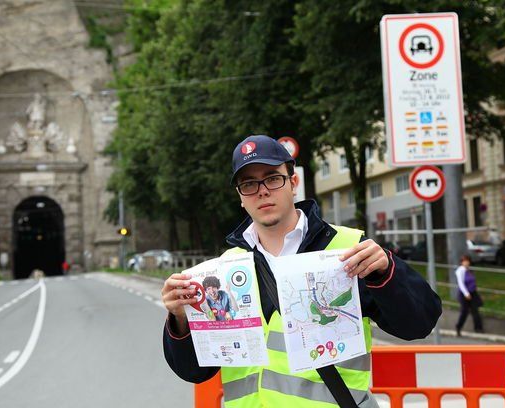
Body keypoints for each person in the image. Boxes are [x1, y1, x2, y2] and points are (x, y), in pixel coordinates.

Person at [161, 135, 442, 407]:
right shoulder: (226, 269)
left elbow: (418, 325)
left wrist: (387, 272)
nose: (262, 191)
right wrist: (180, 319)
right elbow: (194, 371)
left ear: (293, 183)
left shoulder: (346, 250)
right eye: (249, 184)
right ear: (240, 197)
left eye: (273, 178)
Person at [455, 254, 484, 336]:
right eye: (464, 261)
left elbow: (473, 282)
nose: (466, 263)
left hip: (473, 292)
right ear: (461, 262)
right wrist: (466, 293)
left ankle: (478, 328)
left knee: (475, 310)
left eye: (467, 261)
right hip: (464, 294)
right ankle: (458, 327)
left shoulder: (469, 270)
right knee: (464, 311)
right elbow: (461, 283)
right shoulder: (460, 271)